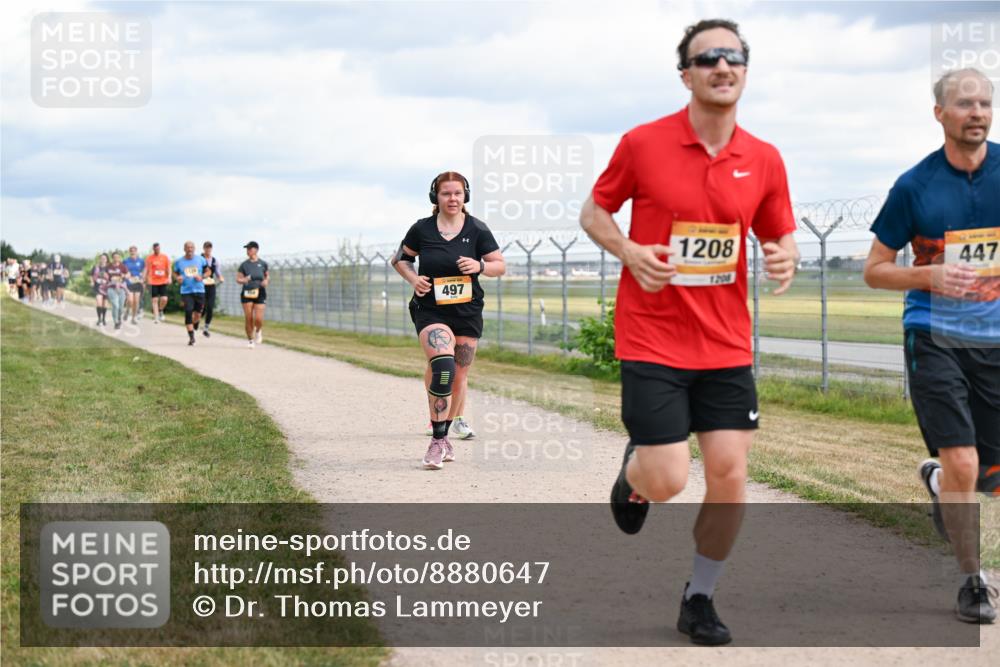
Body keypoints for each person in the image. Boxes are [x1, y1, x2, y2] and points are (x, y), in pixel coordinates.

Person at [579, 19, 799, 645]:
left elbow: (778, 232)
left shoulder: (763, 158)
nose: (723, 67)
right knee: (671, 479)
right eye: (709, 58)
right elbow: (594, 210)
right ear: (687, 74)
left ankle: (699, 597)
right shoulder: (643, 143)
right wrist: (628, 251)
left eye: (735, 57)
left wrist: (785, 255)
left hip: (725, 342)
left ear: (745, 71)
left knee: (730, 472)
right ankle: (635, 477)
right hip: (651, 336)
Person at [863, 67, 998, 624]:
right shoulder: (914, 186)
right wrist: (927, 277)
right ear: (940, 113)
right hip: (935, 337)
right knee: (964, 460)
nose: (978, 112)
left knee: (986, 478)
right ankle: (972, 582)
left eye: (985, 103)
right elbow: (874, 270)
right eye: (965, 104)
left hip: (995, 343)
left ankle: (941, 484)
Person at [391, 171, 506, 470]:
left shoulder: (477, 229)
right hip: (431, 309)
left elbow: (499, 265)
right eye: (446, 193)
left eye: (457, 193)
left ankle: (449, 426)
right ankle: (438, 440)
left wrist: (480, 265)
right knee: (443, 367)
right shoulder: (422, 229)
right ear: (436, 197)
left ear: (465, 195)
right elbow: (400, 259)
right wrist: (414, 279)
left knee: (457, 375)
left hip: (467, 311)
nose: (452, 199)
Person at [173, 241, 208, 346]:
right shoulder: (179, 262)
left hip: (199, 290)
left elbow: (208, 271)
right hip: (186, 291)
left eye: (192, 247)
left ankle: (195, 322)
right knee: (188, 311)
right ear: (184, 249)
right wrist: (177, 278)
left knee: (198, 314)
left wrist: (202, 277)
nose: (190, 249)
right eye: (188, 247)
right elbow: (175, 273)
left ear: (194, 248)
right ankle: (192, 337)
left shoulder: (201, 260)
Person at [236, 241, 269, 348]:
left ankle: (258, 330)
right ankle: (250, 340)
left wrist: (266, 281)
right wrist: (244, 279)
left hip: (260, 292)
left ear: (256, 250)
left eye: (250, 249)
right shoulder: (244, 265)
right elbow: (238, 279)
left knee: (258, 319)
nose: (248, 251)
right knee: (249, 317)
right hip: (247, 292)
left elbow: (267, 276)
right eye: (247, 249)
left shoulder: (263, 264)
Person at [200, 241, 224, 337]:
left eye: (209, 248)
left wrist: (221, 278)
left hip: (211, 285)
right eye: (206, 247)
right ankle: (196, 321)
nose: (208, 249)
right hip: (200, 285)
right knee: (202, 307)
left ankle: (206, 327)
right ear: (204, 248)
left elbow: (218, 273)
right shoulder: (199, 259)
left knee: (210, 307)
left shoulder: (215, 260)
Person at [145, 242, 171, 322]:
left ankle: (160, 310)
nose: (157, 250)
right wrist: (146, 280)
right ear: (153, 249)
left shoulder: (165, 257)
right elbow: (147, 269)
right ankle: (156, 318)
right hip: (153, 281)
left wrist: (169, 277)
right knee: (154, 300)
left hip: (163, 281)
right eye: (155, 249)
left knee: (164, 299)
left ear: (160, 248)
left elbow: (169, 268)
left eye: (158, 248)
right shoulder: (149, 258)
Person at [105, 251, 130, 329]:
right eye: (115, 257)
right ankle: (116, 322)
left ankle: (119, 319)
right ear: (112, 258)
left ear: (119, 258)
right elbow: (104, 275)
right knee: (115, 305)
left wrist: (125, 275)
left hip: (121, 288)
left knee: (121, 307)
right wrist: (107, 278)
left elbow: (128, 275)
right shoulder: (108, 266)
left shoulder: (123, 266)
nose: (116, 258)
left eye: (118, 257)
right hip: (111, 288)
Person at [123, 246, 146, 324]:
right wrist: (126, 275)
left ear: (136, 252)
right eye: (131, 251)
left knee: (136, 301)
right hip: (129, 282)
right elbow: (123, 271)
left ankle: (133, 318)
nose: (133, 252)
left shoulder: (141, 261)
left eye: (134, 251)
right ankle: (127, 310)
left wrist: (143, 278)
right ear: (129, 252)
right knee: (130, 300)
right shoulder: (126, 261)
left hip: (138, 282)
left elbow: (144, 270)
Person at [90, 254, 110, 326]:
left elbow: (112, 276)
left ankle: (104, 319)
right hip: (98, 287)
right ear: (100, 259)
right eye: (102, 258)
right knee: (99, 303)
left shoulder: (109, 268)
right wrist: (92, 281)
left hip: (106, 287)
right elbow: (91, 275)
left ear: (107, 259)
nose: (103, 259)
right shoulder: (96, 267)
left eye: (104, 258)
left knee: (105, 305)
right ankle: (99, 319)